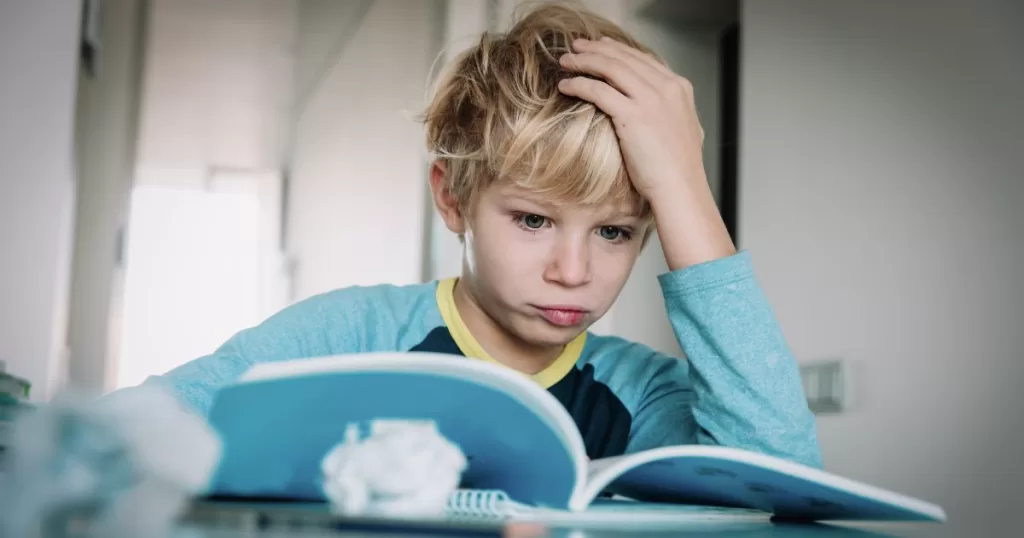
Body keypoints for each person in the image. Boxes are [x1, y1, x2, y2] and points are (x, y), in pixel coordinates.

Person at [137, 2, 822, 468]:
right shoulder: (347, 338)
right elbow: (133, 431)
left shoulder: (643, 397)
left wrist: (683, 188)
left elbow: (777, 481)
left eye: (614, 231)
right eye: (533, 219)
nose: (574, 270)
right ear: (452, 198)